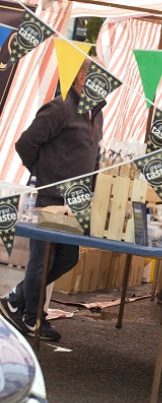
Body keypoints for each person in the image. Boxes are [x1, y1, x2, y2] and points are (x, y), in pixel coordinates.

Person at [0, 58, 104, 342]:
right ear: (83, 78)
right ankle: (33, 317)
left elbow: (94, 153)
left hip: (76, 202)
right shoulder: (60, 108)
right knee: (42, 259)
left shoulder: (96, 112)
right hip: (51, 196)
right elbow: (25, 143)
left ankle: (15, 300)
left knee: (67, 258)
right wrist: (44, 174)